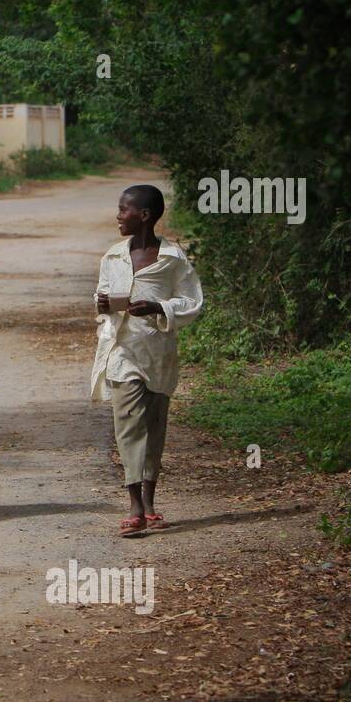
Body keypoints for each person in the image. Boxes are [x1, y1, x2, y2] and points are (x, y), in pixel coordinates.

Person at [90, 184, 204, 537]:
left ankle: (150, 500)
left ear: (145, 216)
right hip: (122, 352)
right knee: (128, 424)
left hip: (158, 354)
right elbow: (102, 296)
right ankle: (134, 506)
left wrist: (159, 307)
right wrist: (103, 304)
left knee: (154, 426)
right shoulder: (113, 256)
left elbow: (192, 303)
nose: (118, 215)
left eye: (124, 209)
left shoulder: (173, 259)